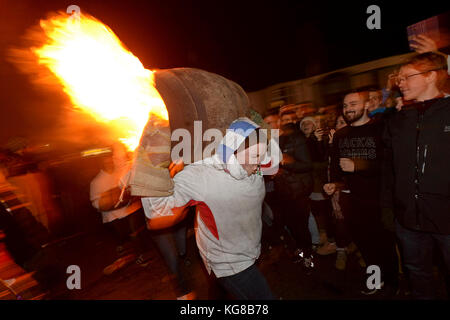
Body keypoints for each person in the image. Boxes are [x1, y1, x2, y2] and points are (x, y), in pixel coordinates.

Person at [141, 118, 278, 300]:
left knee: (219, 292)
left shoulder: (257, 163)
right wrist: (152, 171)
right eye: (254, 157)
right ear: (232, 151)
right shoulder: (202, 176)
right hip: (229, 262)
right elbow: (157, 211)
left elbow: (272, 163)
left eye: (261, 156)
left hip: (249, 249)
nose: (258, 165)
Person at [382, 52, 450, 299]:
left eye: (407, 77)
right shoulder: (398, 121)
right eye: (398, 78)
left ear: (431, 76)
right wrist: (390, 209)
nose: (400, 83)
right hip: (409, 221)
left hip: (446, 220)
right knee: (418, 276)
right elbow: (389, 170)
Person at [324, 90, 399, 295]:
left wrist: (359, 165)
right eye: (346, 105)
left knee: (384, 243)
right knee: (365, 244)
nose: (348, 109)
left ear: (366, 105)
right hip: (353, 200)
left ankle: (395, 283)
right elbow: (338, 170)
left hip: (380, 199)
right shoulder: (340, 135)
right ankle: (377, 280)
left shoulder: (381, 128)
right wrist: (334, 185)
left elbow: (391, 164)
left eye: (354, 104)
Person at [90, 142, 152, 273]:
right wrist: (111, 198)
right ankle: (127, 255)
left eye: (110, 158)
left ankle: (140, 256)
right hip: (113, 218)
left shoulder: (121, 171)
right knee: (127, 240)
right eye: (105, 160)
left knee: (136, 235)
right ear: (100, 162)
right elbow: (96, 204)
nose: (109, 161)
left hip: (131, 211)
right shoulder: (96, 181)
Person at [274, 121, 314, 272]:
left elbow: (307, 165)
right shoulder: (271, 142)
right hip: (283, 191)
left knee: (301, 226)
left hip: (298, 191)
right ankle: (301, 251)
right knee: (291, 225)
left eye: (272, 122)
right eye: (267, 123)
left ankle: (309, 257)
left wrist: (285, 163)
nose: (269, 126)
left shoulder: (296, 139)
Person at [299, 116, 335, 254]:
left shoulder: (320, 140)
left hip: (319, 182)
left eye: (309, 122)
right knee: (315, 211)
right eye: (303, 124)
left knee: (325, 210)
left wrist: (319, 141)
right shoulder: (300, 142)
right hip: (308, 184)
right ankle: (323, 235)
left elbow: (323, 160)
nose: (306, 125)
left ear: (315, 125)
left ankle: (330, 239)